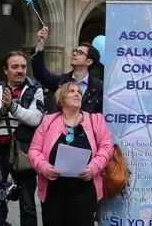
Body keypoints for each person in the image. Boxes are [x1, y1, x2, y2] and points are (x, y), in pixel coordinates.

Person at [28, 81, 115, 226]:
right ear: (62, 99)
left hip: (84, 192)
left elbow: (107, 147)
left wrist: (93, 168)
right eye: (72, 91)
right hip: (53, 192)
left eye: (79, 92)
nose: (77, 94)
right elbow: (34, 150)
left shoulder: (96, 120)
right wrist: (45, 169)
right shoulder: (48, 121)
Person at [0, 51, 46, 226]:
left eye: (23, 66)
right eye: (15, 67)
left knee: (27, 204)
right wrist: (1, 111)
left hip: (23, 152)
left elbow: (35, 118)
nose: (20, 70)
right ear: (5, 70)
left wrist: (12, 107)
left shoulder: (35, 89)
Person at [31, 27, 103, 113]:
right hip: (61, 125)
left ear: (89, 61)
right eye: (75, 51)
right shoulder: (61, 81)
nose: (74, 53)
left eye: (80, 53)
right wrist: (40, 44)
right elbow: (40, 73)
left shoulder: (99, 87)